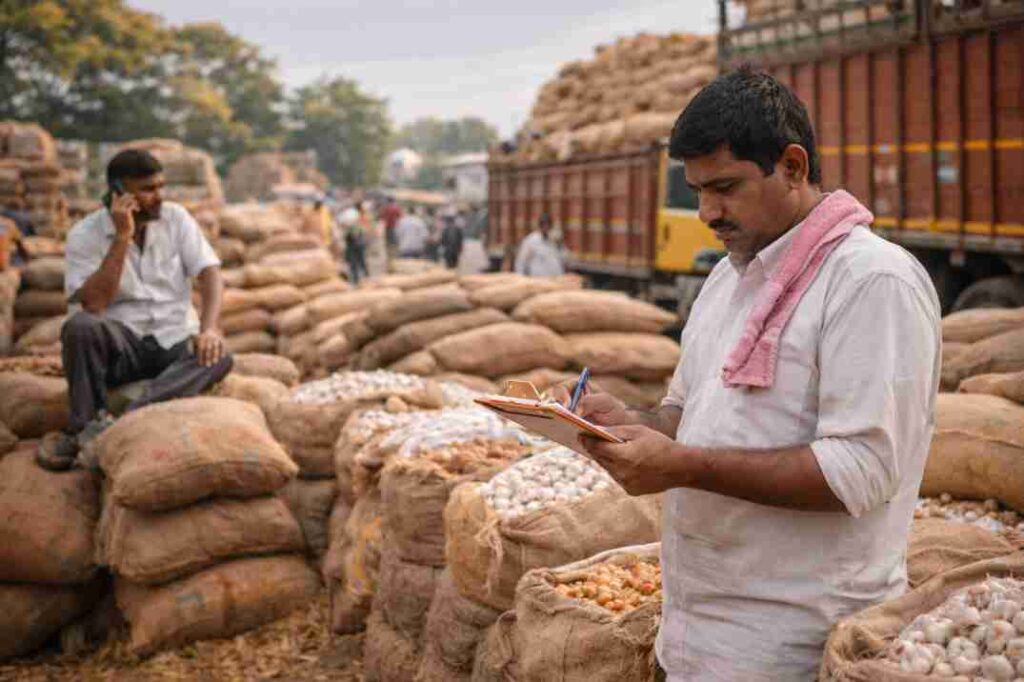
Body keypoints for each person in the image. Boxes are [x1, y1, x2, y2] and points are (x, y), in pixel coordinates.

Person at [552, 69, 940, 680]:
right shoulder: (727, 279)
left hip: (795, 641)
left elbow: (860, 473)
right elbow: (687, 413)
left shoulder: (870, 282)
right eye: (698, 190)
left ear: (791, 165)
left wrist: (680, 466)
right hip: (697, 630)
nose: (707, 211)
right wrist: (624, 423)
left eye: (726, 187)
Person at [37, 149, 232, 471]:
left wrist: (208, 329)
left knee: (219, 356)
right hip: (121, 347)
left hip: (173, 340)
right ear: (118, 193)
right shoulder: (85, 235)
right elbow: (95, 304)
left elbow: (210, 274)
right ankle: (84, 423)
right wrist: (122, 237)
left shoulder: (176, 218)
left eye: (160, 187)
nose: (158, 197)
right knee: (80, 326)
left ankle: (117, 423)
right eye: (147, 189)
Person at [341, 206, 368, 285]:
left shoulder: (351, 227)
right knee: (360, 262)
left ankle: (359, 279)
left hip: (354, 246)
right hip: (357, 246)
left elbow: (351, 237)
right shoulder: (357, 225)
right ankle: (363, 277)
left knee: (355, 263)